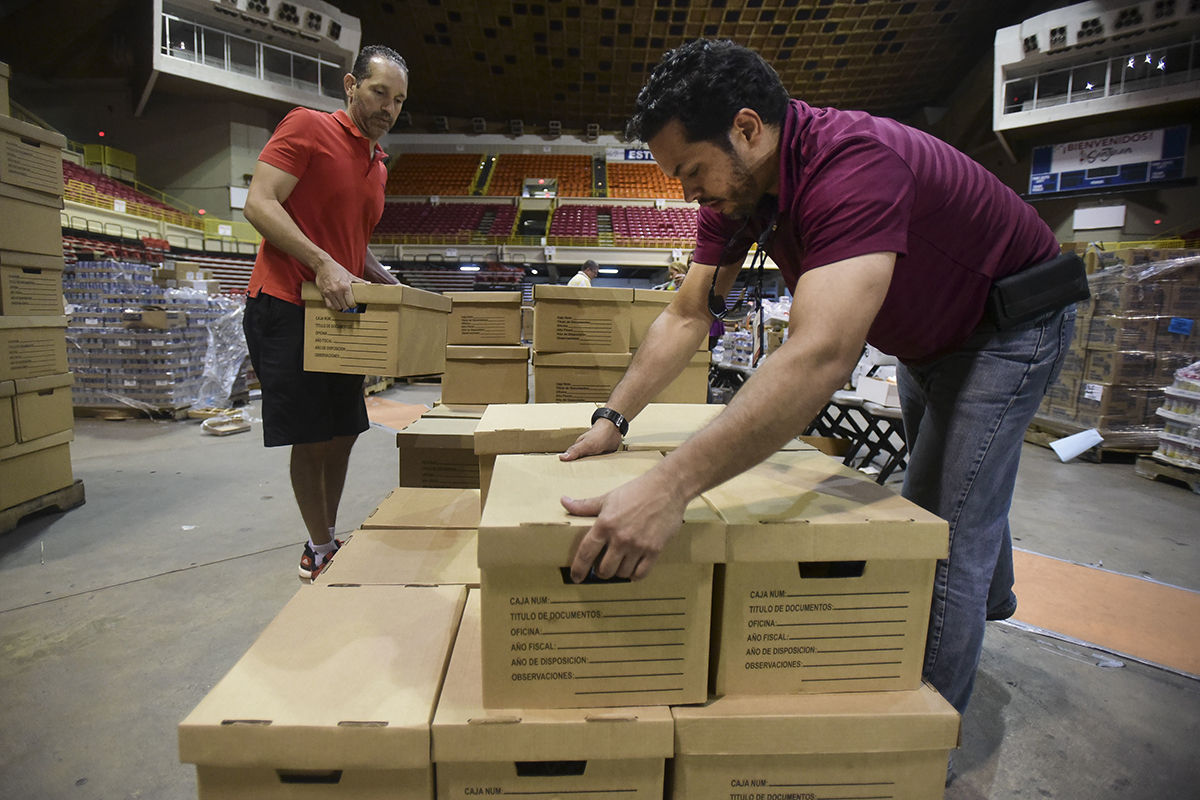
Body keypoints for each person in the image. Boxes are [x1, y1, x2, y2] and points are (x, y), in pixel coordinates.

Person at [558, 40, 1080, 725]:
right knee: (960, 482)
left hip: (1007, 325)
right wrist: (613, 418)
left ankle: (915, 748)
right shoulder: (740, 190)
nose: (686, 194)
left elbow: (823, 354)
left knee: (939, 537)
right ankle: (990, 600)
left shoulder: (853, 163)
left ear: (746, 129)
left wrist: (668, 488)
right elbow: (689, 312)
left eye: (690, 171)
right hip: (931, 335)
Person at [241, 45, 408, 583]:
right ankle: (318, 547)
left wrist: (389, 282)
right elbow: (260, 202)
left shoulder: (377, 166)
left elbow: (352, 245)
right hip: (288, 302)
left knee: (344, 430)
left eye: (399, 101)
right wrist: (321, 263)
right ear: (350, 85)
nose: (388, 107)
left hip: (338, 312)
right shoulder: (308, 128)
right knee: (311, 435)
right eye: (379, 92)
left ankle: (328, 537)